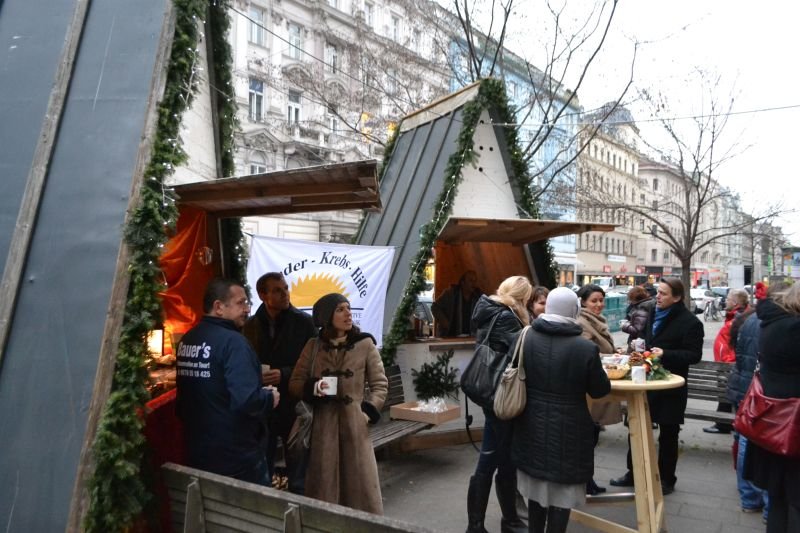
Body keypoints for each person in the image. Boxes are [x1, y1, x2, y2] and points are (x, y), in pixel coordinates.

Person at [511, 287, 611, 533]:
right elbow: (599, 390)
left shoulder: (525, 337)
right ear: (574, 310)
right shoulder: (585, 348)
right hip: (570, 429)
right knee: (562, 492)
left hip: (530, 423)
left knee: (536, 487)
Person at [288, 293, 388, 514]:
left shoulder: (365, 344)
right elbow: (295, 383)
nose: (348, 314)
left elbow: (380, 385)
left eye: (348, 308)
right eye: (340, 310)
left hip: (355, 427)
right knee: (325, 486)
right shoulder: (313, 346)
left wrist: (366, 413)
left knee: (360, 488)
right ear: (326, 316)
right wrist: (314, 388)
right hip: (323, 429)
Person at [176, 278, 279, 485]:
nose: (247, 309)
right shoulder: (233, 343)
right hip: (237, 457)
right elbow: (247, 400)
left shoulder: (188, 339)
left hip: (199, 452)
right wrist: (269, 398)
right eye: (241, 303)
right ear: (219, 307)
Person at [610, 277, 703, 495]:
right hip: (645, 381)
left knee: (668, 433)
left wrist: (665, 353)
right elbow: (645, 338)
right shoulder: (653, 311)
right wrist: (636, 348)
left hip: (671, 386)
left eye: (663, 293)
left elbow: (694, 355)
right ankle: (633, 473)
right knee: (637, 427)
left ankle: (666, 479)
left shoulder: (691, 322)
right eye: (658, 292)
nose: (657, 297)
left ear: (677, 298)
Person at [466, 276, 532, 533]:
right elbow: (522, 352)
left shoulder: (490, 310)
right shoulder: (506, 316)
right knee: (493, 457)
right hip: (501, 395)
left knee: (502, 456)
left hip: (491, 393)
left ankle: (507, 520)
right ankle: (479, 525)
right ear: (523, 297)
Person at [242, 272, 317, 493]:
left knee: (298, 466)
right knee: (262, 464)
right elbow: (244, 362)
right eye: (277, 290)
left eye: (285, 288)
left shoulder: (304, 323)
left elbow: (314, 363)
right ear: (262, 295)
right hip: (263, 405)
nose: (285, 294)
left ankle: (299, 505)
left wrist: (284, 373)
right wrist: (257, 375)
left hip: (293, 404)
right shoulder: (250, 326)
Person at [726, 282, 788, 520]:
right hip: (764, 392)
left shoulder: (749, 319)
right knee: (767, 445)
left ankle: (749, 498)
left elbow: (740, 355)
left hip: (744, 388)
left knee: (745, 440)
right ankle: (769, 504)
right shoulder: (778, 324)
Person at [743, 283, 800, 532]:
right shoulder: (794, 329)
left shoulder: (772, 323)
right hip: (793, 425)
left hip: (774, 422)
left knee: (779, 497)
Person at [575, 284, 622, 495]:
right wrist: (612, 356)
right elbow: (587, 352)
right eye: (594, 300)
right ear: (583, 302)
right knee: (588, 436)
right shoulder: (582, 322)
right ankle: (584, 480)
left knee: (592, 435)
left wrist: (615, 351)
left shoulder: (596, 320)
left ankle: (587, 479)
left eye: (601, 300)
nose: (599, 304)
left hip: (598, 381)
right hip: (590, 387)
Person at [703, 288, 750, 435]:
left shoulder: (739, 318)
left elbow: (737, 344)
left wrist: (728, 362)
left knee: (727, 395)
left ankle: (724, 425)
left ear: (735, 302)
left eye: (728, 299)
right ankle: (724, 424)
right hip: (726, 364)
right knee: (726, 395)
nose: (725, 301)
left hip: (728, 365)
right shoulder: (736, 316)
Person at [432, 270, 483, 336]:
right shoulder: (451, 293)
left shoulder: (478, 296)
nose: (474, 284)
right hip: (450, 336)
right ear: (463, 283)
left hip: (471, 337)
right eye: (470, 281)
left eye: (475, 281)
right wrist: (445, 322)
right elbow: (435, 307)